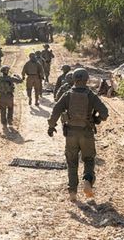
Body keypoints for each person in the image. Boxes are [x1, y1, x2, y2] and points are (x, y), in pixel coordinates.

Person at [47, 68, 109, 202]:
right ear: (86, 79)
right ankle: (87, 180)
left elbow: (56, 111)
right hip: (86, 133)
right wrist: (97, 119)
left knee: (72, 162)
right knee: (88, 159)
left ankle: (73, 192)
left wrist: (51, 127)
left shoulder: (68, 95)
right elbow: (104, 113)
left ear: (74, 79)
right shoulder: (91, 95)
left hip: (71, 134)